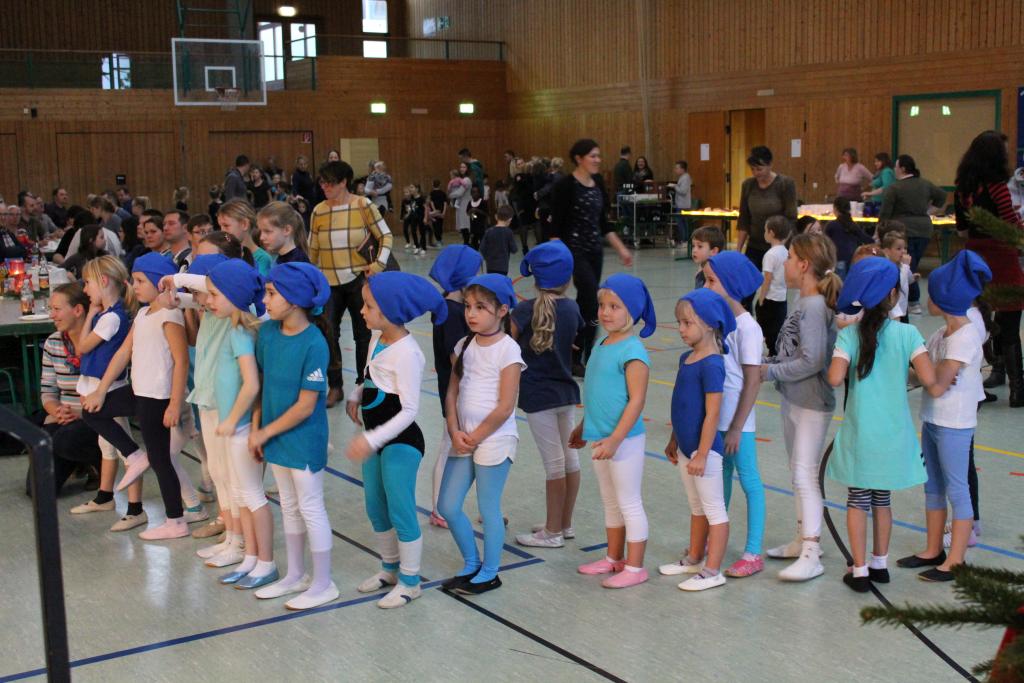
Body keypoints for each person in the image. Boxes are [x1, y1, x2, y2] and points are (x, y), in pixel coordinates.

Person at [826, 257, 940, 592]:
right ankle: (880, 564)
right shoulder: (908, 333)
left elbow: (834, 378)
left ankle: (859, 570)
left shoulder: (849, 335)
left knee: (857, 500)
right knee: (882, 500)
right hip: (893, 435)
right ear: (893, 295)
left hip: (861, 434)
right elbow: (928, 378)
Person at [81, 254, 203, 540]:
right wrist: (101, 390)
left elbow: (181, 361)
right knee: (92, 411)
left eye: (139, 281)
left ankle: (175, 520)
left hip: (158, 397)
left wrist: (175, 404)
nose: (133, 286)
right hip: (139, 392)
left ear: (159, 284)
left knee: (161, 460)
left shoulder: (169, 316)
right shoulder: (143, 314)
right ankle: (135, 455)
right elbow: (123, 353)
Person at [345, 272, 447, 608]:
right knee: (375, 505)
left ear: (391, 310)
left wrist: (372, 439)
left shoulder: (407, 353)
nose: (362, 311)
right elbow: (370, 375)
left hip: (401, 441)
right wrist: (356, 394)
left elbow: (409, 410)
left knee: (400, 508)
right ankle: (389, 569)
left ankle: (410, 581)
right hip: (375, 439)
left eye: (369, 305)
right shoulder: (377, 338)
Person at [898, 250, 990, 582]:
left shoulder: (965, 336)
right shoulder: (941, 333)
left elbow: (935, 385)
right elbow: (928, 377)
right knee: (933, 485)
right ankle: (933, 548)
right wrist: (925, 374)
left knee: (957, 488)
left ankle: (955, 560)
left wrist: (925, 374)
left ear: (945, 299)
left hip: (955, 423)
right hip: (933, 419)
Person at [251, 262, 338, 610]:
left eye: (272, 293)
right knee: (288, 504)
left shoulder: (315, 343)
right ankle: (296, 574)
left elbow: (305, 406)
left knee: (310, 507)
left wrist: (264, 432)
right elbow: (262, 383)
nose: (265, 299)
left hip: (303, 439)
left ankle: (323, 583)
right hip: (274, 435)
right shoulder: (268, 334)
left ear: (296, 298)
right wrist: (257, 427)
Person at [760, 234, 841, 582]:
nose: (786, 262)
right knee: (797, 471)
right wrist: (770, 363)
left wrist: (768, 372)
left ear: (804, 265)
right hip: (793, 397)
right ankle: (801, 537)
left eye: (791, 257)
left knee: (806, 474)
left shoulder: (814, 307)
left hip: (811, 402)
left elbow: (812, 360)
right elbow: (792, 351)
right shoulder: (803, 301)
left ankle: (811, 551)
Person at [437, 275, 524, 595]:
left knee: (488, 509)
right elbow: (452, 392)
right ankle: (471, 563)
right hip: (464, 437)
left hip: (495, 439)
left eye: (481, 307)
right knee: (447, 505)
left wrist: (475, 436)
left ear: (501, 311)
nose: (471, 313)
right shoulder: (464, 345)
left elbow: (505, 406)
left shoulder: (508, 350)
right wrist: (454, 429)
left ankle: (490, 572)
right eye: (468, 306)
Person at [571, 274, 654, 589]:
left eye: (614, 306)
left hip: (624, 440)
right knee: (610, 500)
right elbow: (596, 392)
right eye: (602, 305)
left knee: (628, 501)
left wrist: (617, 439)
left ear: (631, 310)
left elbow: (637, 400)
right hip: (600, 438)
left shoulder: (633, 351)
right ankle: (614, 557)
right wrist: (584, 427)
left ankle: (635, 567)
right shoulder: (602, 344)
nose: (605, 312)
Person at [202, 259, 277, 589]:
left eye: (214, 295)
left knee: (253, 496)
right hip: (236, 427)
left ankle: (266, 563)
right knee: (240, 494)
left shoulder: (240, 333)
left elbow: (251, 384)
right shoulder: (234, 329)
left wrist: (232, 419)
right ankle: (250, 558)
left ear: (234, 295)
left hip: (241, 428)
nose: (208, 301)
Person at [512, 242, 585, 548]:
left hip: (538, 395)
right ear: (567, 277)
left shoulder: (524, 310)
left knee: (554, 464)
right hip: (566, 391)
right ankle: (564, 524)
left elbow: (507, 344)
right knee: (570, 459)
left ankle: (552, 532)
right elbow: (572, 337)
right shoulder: (572, 308)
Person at [662, 288, 735, 591]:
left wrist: (703, 453)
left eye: (687, 323)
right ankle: (694, 557)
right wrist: (674, 439)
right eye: (679, 322)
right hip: (685, 448)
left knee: (714, 510)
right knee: (696, 507)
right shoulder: (686, 358)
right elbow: (682, 405)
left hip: (705, 452)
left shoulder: (713, 364)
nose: (681, 329)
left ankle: (713, 570)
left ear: (708, 323)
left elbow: (712, 413)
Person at [701, 252, 767, 577]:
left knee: (749, 480)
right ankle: (717, 539)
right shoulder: (718, 323)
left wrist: (738, 427)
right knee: (721, 477)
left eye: (712, 281)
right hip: (718, 417)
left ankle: (753, 552)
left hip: (739, 422)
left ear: (732, 284)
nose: (706, 287)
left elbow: (752, 380)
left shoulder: (748, 328)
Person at [309, 160, 394, 407]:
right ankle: (335, 386)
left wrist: (378, 264)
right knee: (328, 335)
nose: (324, 187)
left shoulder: (363, 205)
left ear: (343, 182)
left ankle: (362, 385)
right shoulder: (318, 211)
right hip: (328, 283)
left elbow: (385, 236)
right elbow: (313, 250)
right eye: (322, 183)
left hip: (358, 281)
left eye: (329, 182)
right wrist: (312, 277)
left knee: (363, 336)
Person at [547, 139, 634, 372]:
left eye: (598, 156)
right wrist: (556, 259)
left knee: (589, 304)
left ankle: (582, 352)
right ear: (579, 158)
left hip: (595, 252)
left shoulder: (598, 183)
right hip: (573, 252)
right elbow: (555, 227)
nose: (597, 160)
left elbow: (604, 223)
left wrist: (621, 248)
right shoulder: (565, 186)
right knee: (591, 297)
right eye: (592, 156)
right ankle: (575, 355)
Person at [954, 130, 1024, 406]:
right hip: (1001, 256)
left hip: (975, 257)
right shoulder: (997, 186)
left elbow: (961, 230)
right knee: (1010, 318)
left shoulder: (963, 188)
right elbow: (1009, 224)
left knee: (980, 319)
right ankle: (1018, 389)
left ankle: (987, 377)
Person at [33, 283, 106, 497]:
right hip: (64, 420)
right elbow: (48, 391)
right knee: (38, 490)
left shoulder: (100, 339)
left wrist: (78, 413)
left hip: (95, 418)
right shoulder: (53, 342)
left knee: (65, 439)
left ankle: (96, 463)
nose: (52, 315)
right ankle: (77, 463)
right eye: (51, 309)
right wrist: (57, 411)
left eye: (57, 309)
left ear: (78, 310)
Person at [427, 246, 481, 527]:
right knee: (449, 446)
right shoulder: (450, 311)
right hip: (456, 392)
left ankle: (474, 507)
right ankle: (438, 508)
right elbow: (457, 359)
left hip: (460, 391)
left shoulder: (453, 308)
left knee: (465, 447)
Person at [879, 154, 947, 314]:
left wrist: (880, 231)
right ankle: (912, 300)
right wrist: (928, 211)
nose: (894, 170)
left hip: (903, 230)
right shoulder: (925, 184)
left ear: (902, 168)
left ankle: (913, 300)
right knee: (912, 262)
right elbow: (942, 196)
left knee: (908, 264)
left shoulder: (894, 188)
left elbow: (885, 214)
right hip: (924, 229)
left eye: (896, 167)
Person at [737, 146, 798, 287]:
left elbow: (791, 218)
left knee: (775, 290)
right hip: (754, 245)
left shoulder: (785, 184)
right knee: (746, 286)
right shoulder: (748, 185)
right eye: (752, 169)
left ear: (770, 164)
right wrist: (738, 250)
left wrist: (783, 247)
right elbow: (744, 219)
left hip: (778, 246)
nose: (755, 173)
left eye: (759, 169)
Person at [757, 216, 791, 355]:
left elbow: (768, 278)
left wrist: (761, 299)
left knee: (767, 329)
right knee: (777, 328)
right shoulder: (786, 252)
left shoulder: (770, 255)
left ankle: (772, 354)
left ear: (771, 233)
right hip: (782, 298)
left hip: (770, 298)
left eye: (765, 230)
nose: (764, 233)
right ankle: (776, 352)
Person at [218, 198, 270, 275]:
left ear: (244, 224)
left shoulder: (262, 259)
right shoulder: (224, 255)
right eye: (220, 226)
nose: (222, 231)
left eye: (226, 225)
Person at [825, 197, 873, 279]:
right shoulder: (854, 225)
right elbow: (868, 240)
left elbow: (824, 243)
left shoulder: (832, 225)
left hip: (838, 260)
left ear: (835, 209)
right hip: (853, 260)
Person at [479, 205, 518, 275]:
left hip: (490, 266)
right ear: (510, 219)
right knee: (501, 281)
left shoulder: (489, 231)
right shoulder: (508, 232)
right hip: (503, 267)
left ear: (496, 217)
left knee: (492, 281)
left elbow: (482, 248)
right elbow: (514, 249)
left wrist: (487, 258)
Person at [861, 152, 896, 217]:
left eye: (878, 161)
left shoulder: (886, 172)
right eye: (875, 161)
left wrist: (870, 193)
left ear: (884, 161)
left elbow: (886, 187)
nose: (875, 163)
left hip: (882, 204)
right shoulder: (880, 172)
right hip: (876, 203)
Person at [690, 225, 724, 290]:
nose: (694, 250)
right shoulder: (701, 270)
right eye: (693, 246)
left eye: (700, 246)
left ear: (713, 251)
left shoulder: (714, 276)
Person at [669, 161, 692, 247]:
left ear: (682, 169)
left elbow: (683, 191)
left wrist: (674, 186)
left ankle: (685, 241)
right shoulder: (682, 177)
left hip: (683, 205)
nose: (675, 170)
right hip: (681, 204)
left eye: (677, 168)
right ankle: (685, 240)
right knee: (682, 223)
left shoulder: (685, 178)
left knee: (682, 224)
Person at [448, 167, 471, 246]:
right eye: (461, 167)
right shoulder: (455, 181)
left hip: (464, 204)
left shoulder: (465, 180)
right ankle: (465, 242)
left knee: (465, 224)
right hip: (459, 203)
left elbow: (459, 193)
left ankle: (467, 242)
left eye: (464, 167)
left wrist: (450, 195)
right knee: (462, 225)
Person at [428, 179, 448, 248]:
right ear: (440, 185)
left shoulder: (432, 193)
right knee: (440, 226)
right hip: (441, 211)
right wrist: (443, 212)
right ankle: (439, 239)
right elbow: (445, 203)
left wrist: (434, 210)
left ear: (432, 184)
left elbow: (431, 202)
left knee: (436, 226)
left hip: (435, 212)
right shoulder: (443, 193)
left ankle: (439, 240)